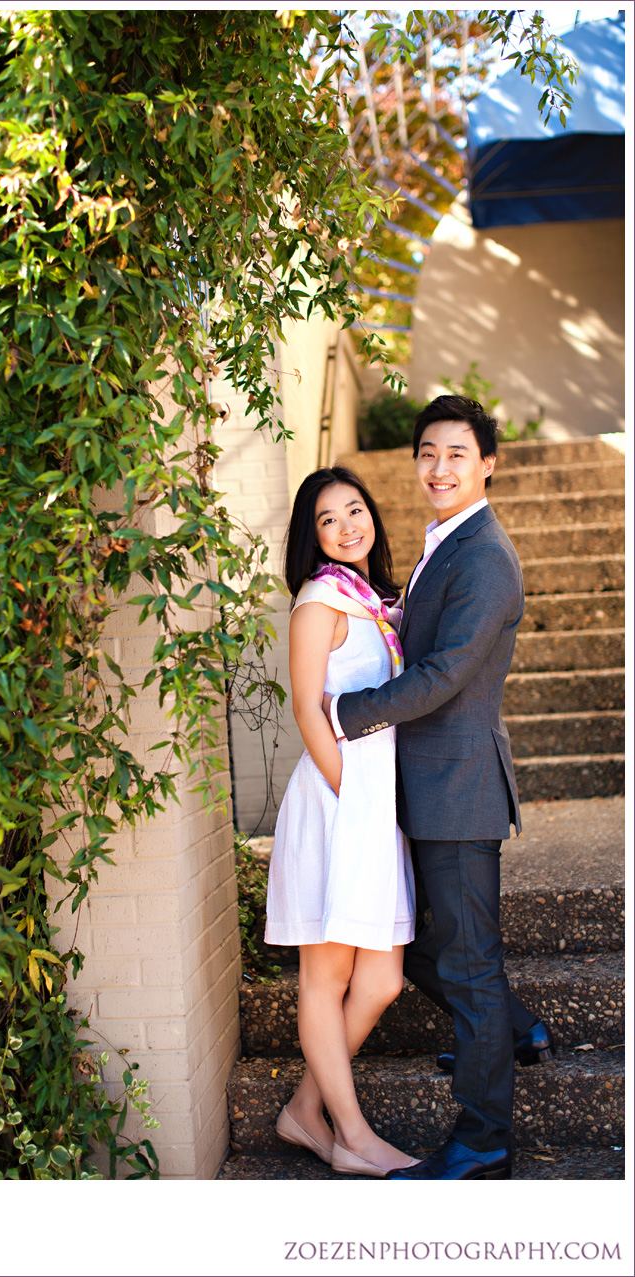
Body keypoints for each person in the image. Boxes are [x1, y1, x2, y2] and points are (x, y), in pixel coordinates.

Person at [326, 394, 553, 1182]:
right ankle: (514, 1032)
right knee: (426, 950)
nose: (438, 467)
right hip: (429, 785)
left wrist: (345, 709)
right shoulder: (445, 543)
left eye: (456, 453)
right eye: (427, 452)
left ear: (488, 461)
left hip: (457, 788)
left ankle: (485, 1135)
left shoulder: (485, 555)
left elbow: (446, 672)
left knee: (466, 963)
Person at [264, 466, 419, 1177]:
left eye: (355, 509)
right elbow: (307, 710)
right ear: (312, 536)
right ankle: (352, 1136)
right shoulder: (318, 601)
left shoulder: (375, 604)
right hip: (336, 805)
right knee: (326, 977)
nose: (348, 524)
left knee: (382, 976)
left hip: (370, 806)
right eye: (329, 518)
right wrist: (347, 798)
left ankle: (304, 1109)